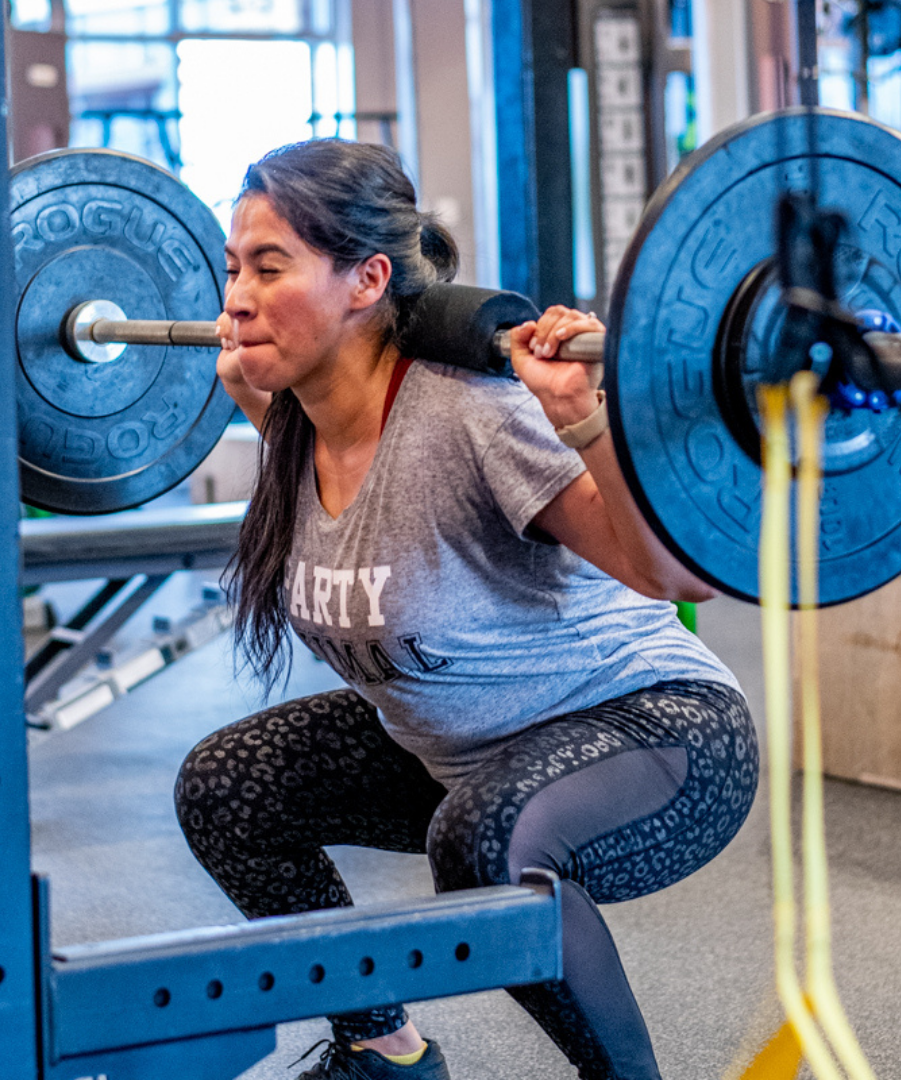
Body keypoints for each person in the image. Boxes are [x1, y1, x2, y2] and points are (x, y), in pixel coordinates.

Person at [174, 139, 758, 1080]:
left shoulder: (471, 410)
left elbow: (672, 579)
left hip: (659, 735)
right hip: (465, 751)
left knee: (480, 840)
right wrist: (265, 401)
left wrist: (580, 418)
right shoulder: (298, 424)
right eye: (233, 267)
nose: (236, 297)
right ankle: (384, 1052)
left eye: (269, 268)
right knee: (229, 786)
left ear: (365, 279)